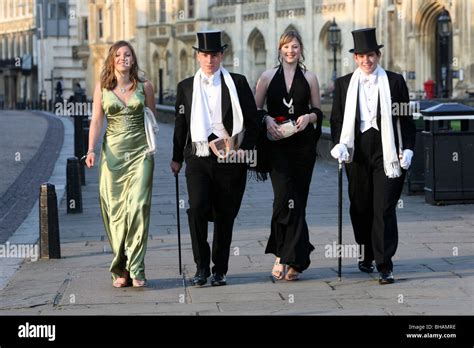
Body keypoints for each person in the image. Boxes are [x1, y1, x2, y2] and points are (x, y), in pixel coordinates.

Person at [170, 31, 258, 287]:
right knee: (196, 207)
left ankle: (220, 269)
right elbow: (180, 125)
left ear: (221, 56)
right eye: (205, 55)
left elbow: (252, 122)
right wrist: (176, 158)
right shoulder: (185, 87)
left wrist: (244, 149)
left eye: (215, 54)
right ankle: (201, 267)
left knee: (225, 214)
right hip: (198, 157)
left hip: (230, 159)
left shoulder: (238, 83)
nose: (210, 59)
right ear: (198, 56)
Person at [330, 28, 416, 284]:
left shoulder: (395, 81)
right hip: (356, 151)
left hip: (388, 151)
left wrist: (409, 148)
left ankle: (384, 264)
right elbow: (336, 119)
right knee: (360, 207)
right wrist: (338, 145)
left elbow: (406, 119)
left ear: (378, 55)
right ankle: (366, 253)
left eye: (371, 55)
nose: (366, 60)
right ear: (355, 58)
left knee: (384, 208)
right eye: (361, 56)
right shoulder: (344, 84)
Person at [85, 41, 157, 288]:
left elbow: (152, 119)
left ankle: (137, 268)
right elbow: (96, 121)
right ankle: (121, 268)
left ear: (133, 59)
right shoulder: (102, 88)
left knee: (138, 205)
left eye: (127, 54)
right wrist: (90, 150)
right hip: (113, 156)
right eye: (118, 55)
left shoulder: (145, 87)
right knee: (116, 213)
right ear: (112, 60)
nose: (123, 58)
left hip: (141, 154)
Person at [254, 30, 323, 281]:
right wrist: (267, 118)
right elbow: (255, 109)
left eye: (294, 47)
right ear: (280, 49)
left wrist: (309, 117)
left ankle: (292, 259)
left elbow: (318, 110)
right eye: (286, 47)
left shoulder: (310, 77)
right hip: (277, 147)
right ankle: (286, 255)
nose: (290, 51)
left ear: (301, 49)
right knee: (283, 199)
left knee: (299, 201)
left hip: (303, 148)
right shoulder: (266, 77)